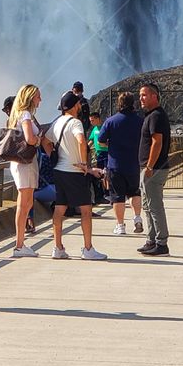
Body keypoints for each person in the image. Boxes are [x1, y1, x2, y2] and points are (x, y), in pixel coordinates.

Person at [45, 90, 107, 260]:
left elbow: (45, 140)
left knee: (60, 209)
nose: (81, 106)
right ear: (74, 106)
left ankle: (57, 248)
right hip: (74, 172)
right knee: (86, 210)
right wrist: (84, 164)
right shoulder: (76, 123)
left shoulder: (57, 122)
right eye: (78, 103)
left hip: (59, 171)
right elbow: (81, 140)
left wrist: (53, 155)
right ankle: (88, 249)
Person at [6, 84, 48, 257]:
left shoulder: (21, 114)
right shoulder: (25, 114)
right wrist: (39, 139)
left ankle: (20, 243)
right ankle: (19, 245)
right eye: (38, 96)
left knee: (27, 203)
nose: (40, 99)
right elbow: (30, 139)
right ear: (30, 97)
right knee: (24, 204)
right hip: (24, 163)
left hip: (25, 162)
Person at [97, 91, 144, 235]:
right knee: (134, 192)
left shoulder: (111, 121)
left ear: (119, 104)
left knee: (117, 196)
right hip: (134, 164)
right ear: (133, 103)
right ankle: (137, 218)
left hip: (115, 165)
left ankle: (120, 225)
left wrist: (110, 145)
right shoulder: (140, 121)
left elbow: (100, 140)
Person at [137, 82, 171, 256]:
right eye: (140, 95)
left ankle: (161, 243)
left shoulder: (156, 116)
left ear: (154, 96)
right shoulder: (151, 115)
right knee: (148, 206)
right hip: (148, 168)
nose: (140, 98)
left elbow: (157, 142)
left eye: (144, 95)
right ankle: (151, 240)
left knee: (155, 205)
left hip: (154, 169)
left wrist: (150, 165)